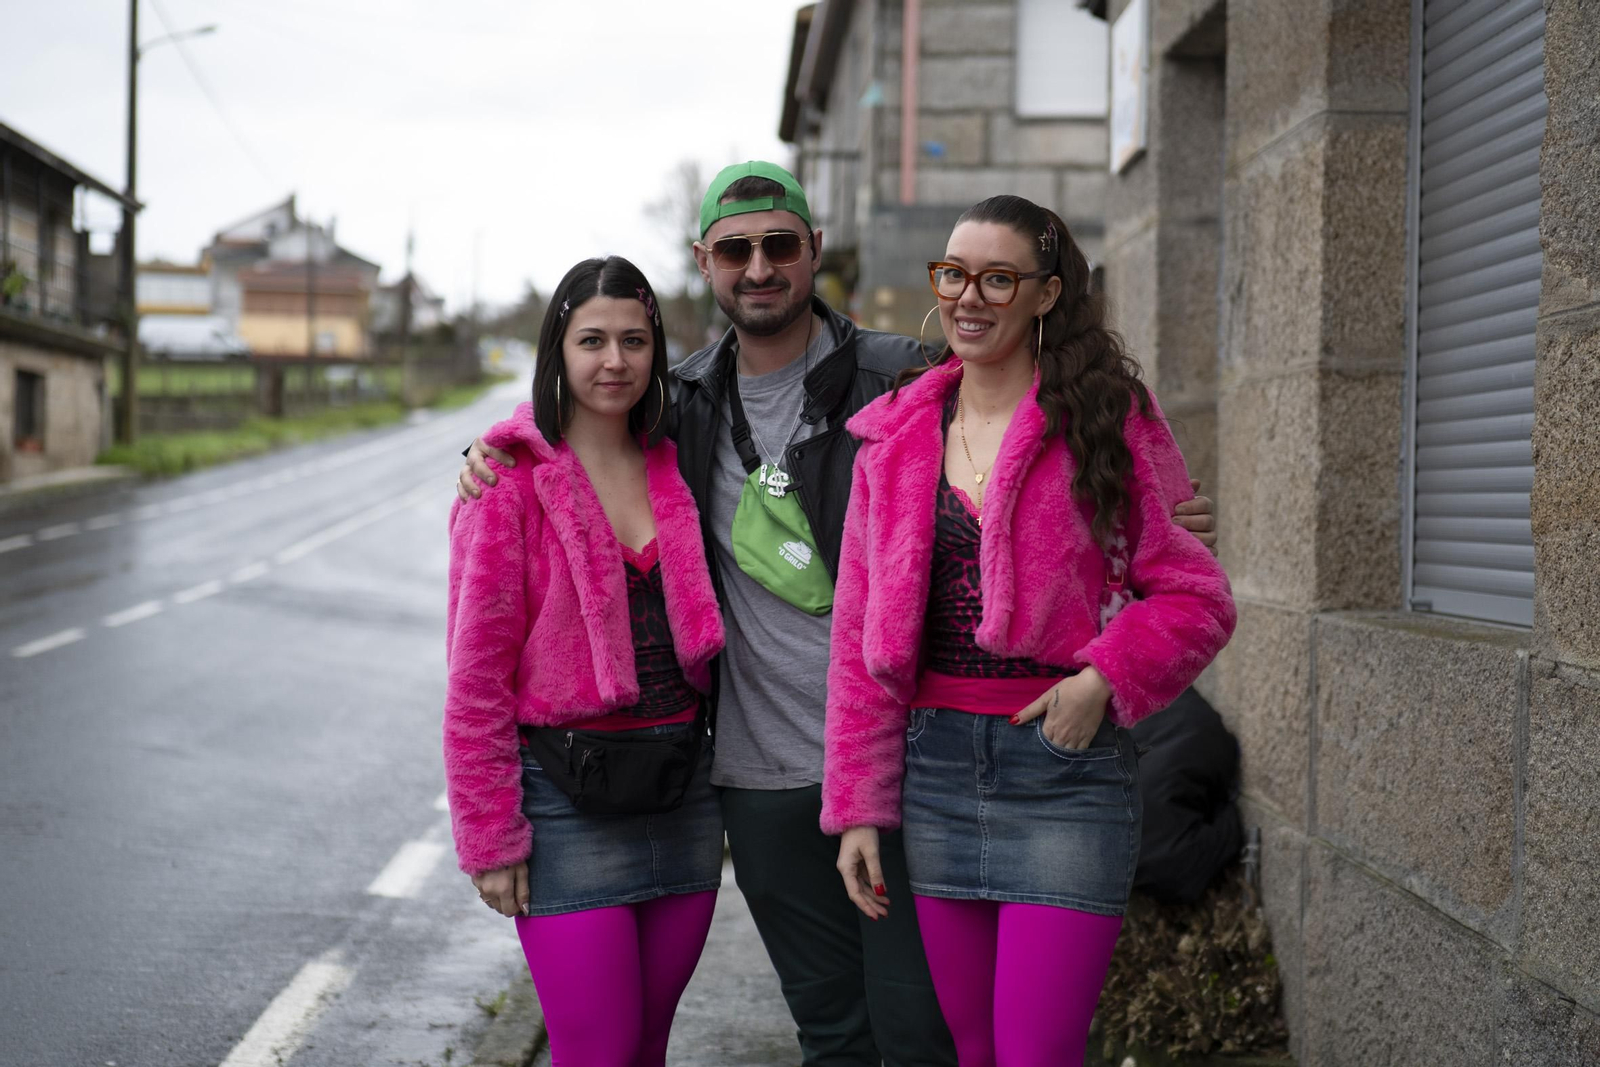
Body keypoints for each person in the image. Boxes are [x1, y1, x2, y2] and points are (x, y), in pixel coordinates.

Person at [456, 163, 1219, 1066]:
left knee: (929, 1035)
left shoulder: (905, 381)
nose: (760, 265)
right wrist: (494, 446)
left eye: (781, 243)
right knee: (834, 1033)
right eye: (735, 249)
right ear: (706, 261)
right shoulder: (683, 406)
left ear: (815, 249)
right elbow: (585, 417)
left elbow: (1053, 449)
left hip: (910, 764)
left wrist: (1153, 518)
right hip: (762, 773)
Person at [822, 195, 1237, 1067]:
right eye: (954, 274)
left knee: (1036, 1052)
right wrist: (859, 806)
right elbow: (859, 642)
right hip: (935, 775)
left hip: (1067, 771)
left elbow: (1196, 596)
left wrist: (1102, 681)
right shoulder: (894, 439)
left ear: (1045, 294)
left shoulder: (1108, 418)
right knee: (974, 1050)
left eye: (997, 277)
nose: (969, 297)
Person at [443, 256, 726, 1067]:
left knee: (645, 1048)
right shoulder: (507, 483)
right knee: (595, 1053)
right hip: (566, 806)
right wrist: (490, 837)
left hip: (684, 797)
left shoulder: (680, 464)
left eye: (634, 340)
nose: (614, 360)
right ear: (557, 352)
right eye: (592, 339)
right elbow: (474, 682)